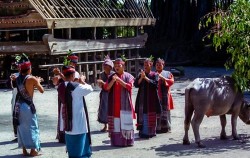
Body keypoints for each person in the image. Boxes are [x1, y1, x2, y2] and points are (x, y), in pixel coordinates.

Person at [13, 54, 44, 156]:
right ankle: (33, 151)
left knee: (22, 127)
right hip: (27, 106)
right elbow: (42, 90)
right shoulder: (32, 79)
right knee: (32, 127)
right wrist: (38, 81)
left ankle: (24, 150)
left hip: (18, 106)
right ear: (29, 69)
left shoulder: (17, 78)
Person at [60, 65, 93, 158]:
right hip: (78, 121)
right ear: (72, 76)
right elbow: (90, 89)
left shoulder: (61, 86)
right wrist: (82, 81)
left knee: (72, 147)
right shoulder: (76, 87)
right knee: (80, 149)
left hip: (67, 121)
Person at [53, 51, 86, 143]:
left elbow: (71, 82)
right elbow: (58, 82)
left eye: (74, 63)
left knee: (71, 114)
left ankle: (70, 133)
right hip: (64, 95)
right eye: (71, 62)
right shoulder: (66, 72)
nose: (73, 64)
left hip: (73, 96)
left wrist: (60, 74)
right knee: (62, 114)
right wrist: (57, 78)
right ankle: (63, 134)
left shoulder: (75, 73)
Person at [104, 57, 135, 147]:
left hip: (125, 105)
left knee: (126, 124)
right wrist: (113, 80)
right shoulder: (111, 77)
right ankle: (117, 142)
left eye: (119, 65)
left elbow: (129, 86)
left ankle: (127, 142)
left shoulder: (129, 76)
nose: (117, 67)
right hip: (114, 106)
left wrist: (119, 80)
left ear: (123, 66)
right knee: (116, 124)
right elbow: (106, 88)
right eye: (116, 65)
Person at [134, 58, 161, 138]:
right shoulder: (140, 75)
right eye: (144, 65)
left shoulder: (155, 74)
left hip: (151, 99)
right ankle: (142, 132)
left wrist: (145, 78)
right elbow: (136, 84)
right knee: (142, 114)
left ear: (151, 65)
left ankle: (150, 133)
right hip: (142, 100)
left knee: (150, 114)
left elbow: (155, 84)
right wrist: (142, 77)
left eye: (147, 64)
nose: (145, 66)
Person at [155, 58, 174, 133]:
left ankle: (167, 127)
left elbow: (171, 81)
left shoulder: (168, 73)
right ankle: (158, 128)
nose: (158, 66)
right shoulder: (153, 74)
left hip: (165, 96)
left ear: (163, 65)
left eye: (160, 65)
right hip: (156, 96)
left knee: (166, 111)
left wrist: (162, 78)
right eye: (157, 65)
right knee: (157, 112)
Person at [97, 56, 114, 132]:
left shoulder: (113, 74)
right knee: (104, 108)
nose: (104, 67)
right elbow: (100, 85)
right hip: (104, 93)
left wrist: (103, 83)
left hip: (111, 93)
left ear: (110, 67)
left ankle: (112, 125)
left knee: (112, 108)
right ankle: (105, 125)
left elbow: (112, 85)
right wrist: (100, 84)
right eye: (104, 65)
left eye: (106, 65)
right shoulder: (101, 74)